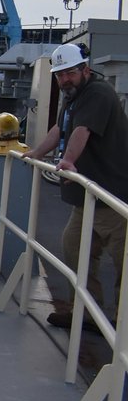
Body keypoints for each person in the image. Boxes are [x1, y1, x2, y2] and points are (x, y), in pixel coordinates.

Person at [25, 43, 128, 329]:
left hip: (114, 196)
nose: (64, 80)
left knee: (124, 265)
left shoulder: (98, 93)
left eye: (69, 73)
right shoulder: (74, 96)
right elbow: (61, 129)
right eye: (59, 75)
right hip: (89, 198)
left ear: (85, 69)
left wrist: (69, 160)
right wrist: (36, 153)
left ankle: (121, 331)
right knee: (75, 250)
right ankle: (86, 313)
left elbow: (82, 130)